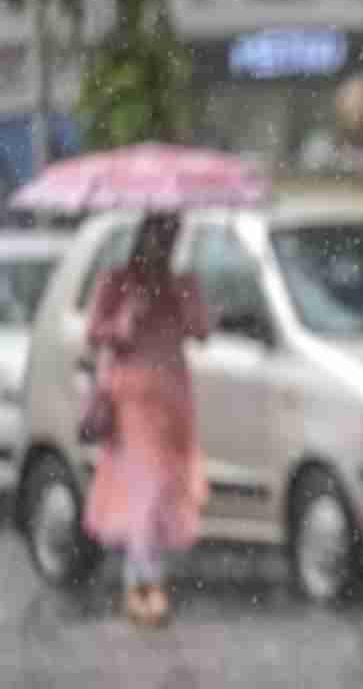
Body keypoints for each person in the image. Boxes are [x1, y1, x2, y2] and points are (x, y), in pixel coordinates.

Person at [83, 214, 211, 627]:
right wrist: (124, 319)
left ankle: (134, 584)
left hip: (173, 401)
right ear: (143, 238)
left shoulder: (177, 283)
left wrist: (190, 298)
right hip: (131, 402)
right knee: (147, 488)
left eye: (172, 238)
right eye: (159, 237)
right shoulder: (117, 280)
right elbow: (95, 332)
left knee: (164, 489)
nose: (165, 246)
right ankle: (147, 586)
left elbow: (200, 332)